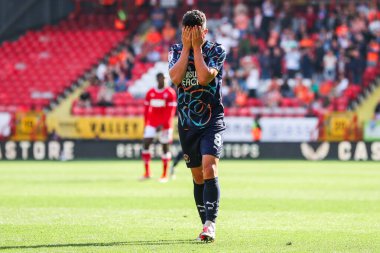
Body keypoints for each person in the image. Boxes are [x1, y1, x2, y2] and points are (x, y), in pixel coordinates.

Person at [168, 10, 226, 242]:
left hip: (212, 119)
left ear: (205, 32)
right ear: (183, 33)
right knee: (197, 176)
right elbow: (175, 78)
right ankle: (204, 223)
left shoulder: (216, 50)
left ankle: (210, 225)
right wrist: (186, 48)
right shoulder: (175, 51)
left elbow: (203, 77)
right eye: (188, 33)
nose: (193, 37)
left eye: (197, 33)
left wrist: (198, 48)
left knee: (209, 167)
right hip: (187, 123)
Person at [141, 73, 177, 183]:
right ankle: (147, 173)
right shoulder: (150, 93)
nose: (165, 80)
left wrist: (163, 125)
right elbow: (147, 110)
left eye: (166, 78)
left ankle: (164, 174)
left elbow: (170, 112)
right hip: (151, 124)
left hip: (165, 125)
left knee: (165, 147)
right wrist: (146, 124)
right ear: (158, 79)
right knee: (146, 144)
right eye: (163, 78)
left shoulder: (170, 93)